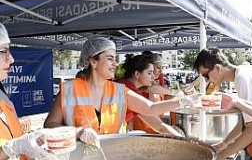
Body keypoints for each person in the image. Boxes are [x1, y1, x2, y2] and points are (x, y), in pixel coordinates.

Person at [44, 38, 199, 135]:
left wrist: (184, 101)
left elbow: (150, 108)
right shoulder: (69, 90)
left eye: (115, 59)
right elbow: (50, 124)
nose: (115, 63)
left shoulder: (119, 91)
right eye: (110, 58)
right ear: (93, 62)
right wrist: (77, 132)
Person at [0, 23, 53, 160]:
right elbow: (12, 146)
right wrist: (13, 148)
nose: (11, 59)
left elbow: (12, 138)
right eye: (3, 51)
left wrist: (31, 140)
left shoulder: (3, 97)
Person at [116, 54, 181, 135]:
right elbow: (151, 110)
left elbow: (159, 126)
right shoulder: (124, 87)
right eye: (149, 73)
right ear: (137, 74)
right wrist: (183, 101)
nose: (153, 77)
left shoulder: (131, 88)